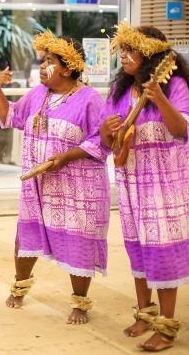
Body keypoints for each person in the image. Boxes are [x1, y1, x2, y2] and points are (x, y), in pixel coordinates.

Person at [0, 31, 110, 325]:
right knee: (26, 234)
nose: (42, 66)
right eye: (43, 60)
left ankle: (80, 304)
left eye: (49, 61)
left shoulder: (90, 100)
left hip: (77, 188)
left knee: (77, 240)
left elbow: (102, 142)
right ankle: (19, 286)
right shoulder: (37, 94)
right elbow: (12, 117)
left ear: (67, 69)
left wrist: (66, 157)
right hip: (38, 185)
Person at [99, 23, 189, 352]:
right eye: (121, 50)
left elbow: (181, 130)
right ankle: (145, 313)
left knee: (161, 249)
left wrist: (161, 99)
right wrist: (108, 131)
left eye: (130, 50)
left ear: (151, 55)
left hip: (165, 183)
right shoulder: (121, 91)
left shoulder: (175, 83)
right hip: (130, 182)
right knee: (137, 246)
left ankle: (166, 326)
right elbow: (109, 142)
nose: (123, 56)